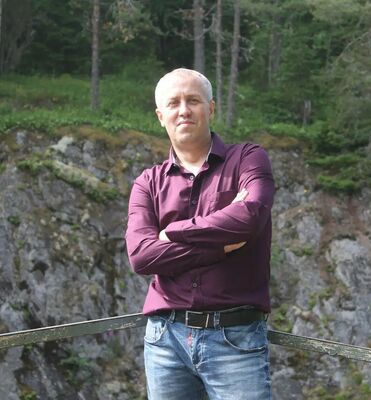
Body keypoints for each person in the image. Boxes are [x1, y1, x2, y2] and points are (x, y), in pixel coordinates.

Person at [125, 68, 275, 399]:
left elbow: (250, 217)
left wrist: (172, 232)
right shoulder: (147, 183)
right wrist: (219, 247)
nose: (184, 110)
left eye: (193, 100)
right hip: (165, 340)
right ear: (160, 116)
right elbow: (141, 256)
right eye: (174, 103)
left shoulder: (248, 159)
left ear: (211, 108)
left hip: (235, 337)